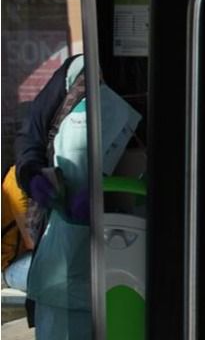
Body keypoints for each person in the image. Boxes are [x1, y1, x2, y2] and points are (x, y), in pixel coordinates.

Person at [14, 55, 140, 339]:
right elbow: (29, 136)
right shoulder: (74, 75)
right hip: (61, 247)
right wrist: (32, 176)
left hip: (131, 246)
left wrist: (107, 196)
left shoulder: (160, 75)